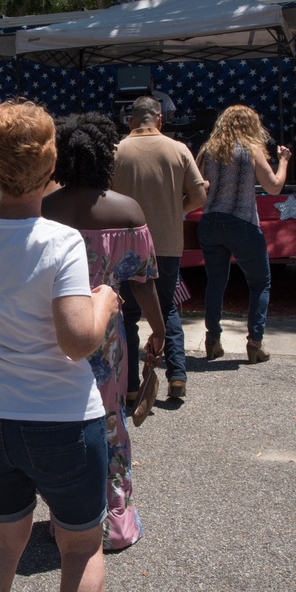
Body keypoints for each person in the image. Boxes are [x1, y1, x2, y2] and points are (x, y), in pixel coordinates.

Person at [0, 99, 118, 592]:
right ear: (52, 166)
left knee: (1, 541)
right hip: (62, 422)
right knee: (81, 548)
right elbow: (77, 342)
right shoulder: (62, 241)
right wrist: (105, 304)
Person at [41, 111, 166, 551]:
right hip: (106, 336)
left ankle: (68, 517)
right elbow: (143, 281)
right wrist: (159, 330)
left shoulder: (44, 211)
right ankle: (113, 517)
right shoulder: (127, 210)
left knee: (63, 422)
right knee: (109, 422)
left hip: (52, 332)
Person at [110, 95, 206, 400]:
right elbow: (199, 196)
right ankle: (177, 374)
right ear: (160, 119)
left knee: (126, 314)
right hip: (166, 242)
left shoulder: (116, 151)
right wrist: (177, 211)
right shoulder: (179, 150)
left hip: (125, 244)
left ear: (130, 121)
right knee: (166, 307)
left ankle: (128, 385)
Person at [197, 105, 292, 364]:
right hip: (242, 222)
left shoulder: (207, 150)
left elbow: (195, 187)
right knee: (260, 283)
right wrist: (283, 161)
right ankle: (255, 342)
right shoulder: (252, 150)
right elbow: (273, 187)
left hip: (209, 222)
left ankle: (212, 340)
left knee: (215, 283)